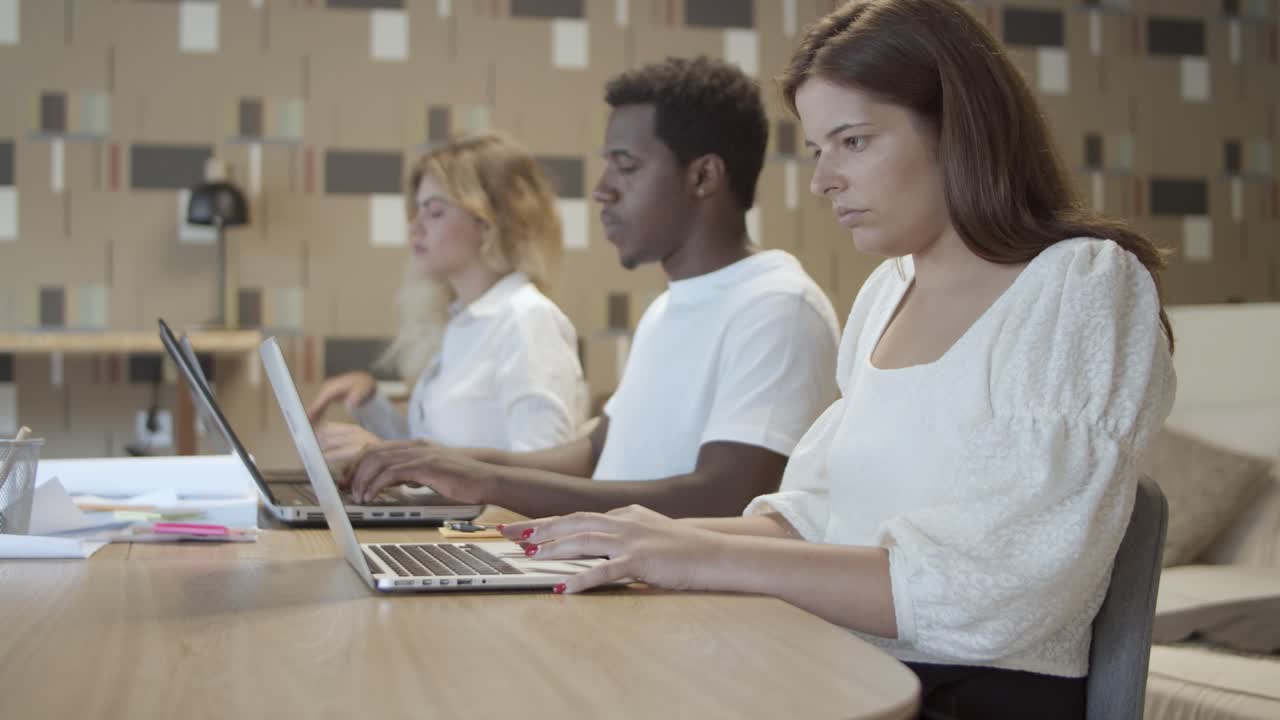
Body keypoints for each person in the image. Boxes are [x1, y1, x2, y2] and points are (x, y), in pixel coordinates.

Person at [497, 2, 1177, 718]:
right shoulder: (887, 294)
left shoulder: (1081, 287)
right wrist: (630, 538)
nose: (823, 179)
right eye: (819, 148)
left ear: (961, 128)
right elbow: (814, 520)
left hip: (960, 695)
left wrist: (699, 556)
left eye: (852, 141)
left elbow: (999, 588)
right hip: (828, 665)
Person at [341, 56, 841, 519]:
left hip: (687, 610)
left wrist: (484, 480)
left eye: (625, 166)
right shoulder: (668, 308)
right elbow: (593, 452)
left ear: (703, 176)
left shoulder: (778, 306)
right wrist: (435, 461)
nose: (602, 189)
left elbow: (721, 496)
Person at [307, 132, 587, 460]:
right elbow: (432, 452)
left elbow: (543, 471)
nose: (415, 228)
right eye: (417, 212)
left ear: (489, 223)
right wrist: (372, 405)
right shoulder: (464, 323)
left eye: (435, 212)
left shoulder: (528, 319)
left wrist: (386, 453)